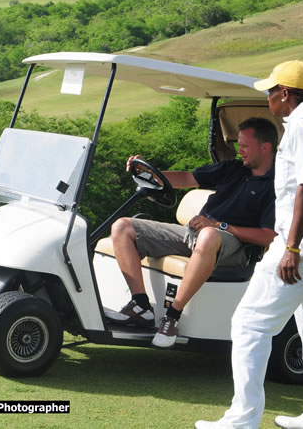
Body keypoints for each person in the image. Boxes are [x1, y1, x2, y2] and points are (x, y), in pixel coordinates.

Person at [196, 61, 303, 429]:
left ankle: (242, 418)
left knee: (249, 324)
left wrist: (292, 247)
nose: (268, 98)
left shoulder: (302, 124)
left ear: (285, 94)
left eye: (270, 91)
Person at [106, 118, 279, 348]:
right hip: (196, 235)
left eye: (245, 146)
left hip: (235, 248)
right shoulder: (233, 168)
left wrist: (219, 226)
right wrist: (150, 174)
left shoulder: (276, 185)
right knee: (122, 227)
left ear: (265, 146)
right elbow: (188, 178)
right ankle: (140, 306)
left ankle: (172, 317)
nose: (240, 150)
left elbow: (268, 236)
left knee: (208, 235)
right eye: (239, 145)